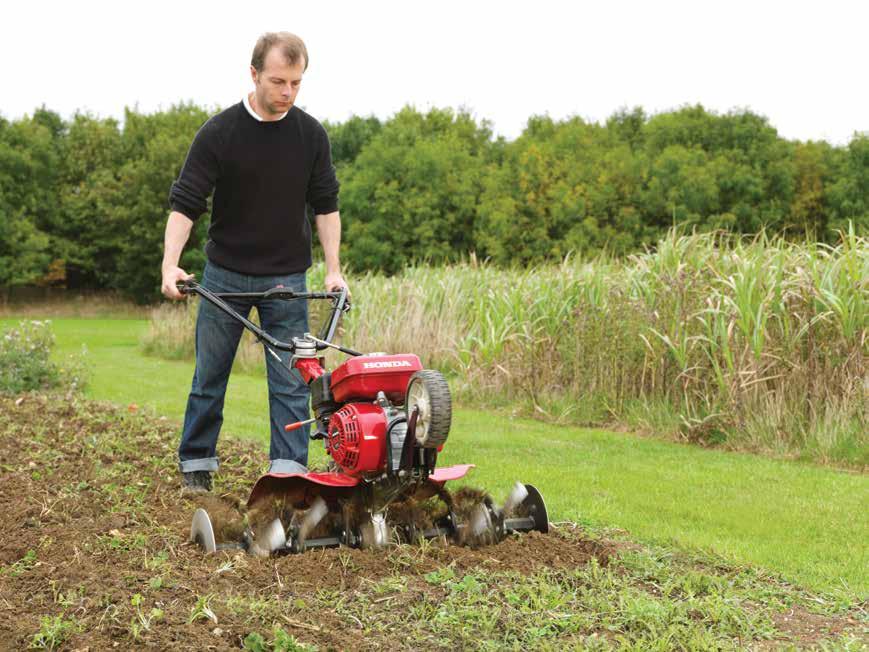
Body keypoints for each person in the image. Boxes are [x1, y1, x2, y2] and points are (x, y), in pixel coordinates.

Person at [160, 32, 348, 494]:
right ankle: (197, 462)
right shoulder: (220, 132)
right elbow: (186, 203)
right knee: (211, 374)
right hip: (225, 276)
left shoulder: (310, 135)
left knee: (291, 379)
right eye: (278, 81)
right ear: (254, 74)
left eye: (297, 83)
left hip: (287, 279)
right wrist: (170, 265)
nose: (287, 92)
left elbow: (325, 205)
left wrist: (333, 268)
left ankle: (287, 474)